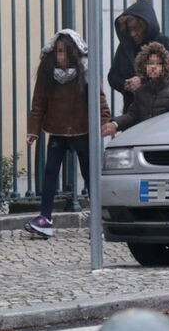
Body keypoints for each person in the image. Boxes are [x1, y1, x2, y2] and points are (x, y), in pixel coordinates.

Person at [25, 30, 110, 239]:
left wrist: (106, 121)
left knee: (90, 175)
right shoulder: (47, 74)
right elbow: (39, 102)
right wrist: (33, 131)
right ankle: (45, 217)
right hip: (57, 130)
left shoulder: (86, 71)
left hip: (82, 130)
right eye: (57, 52)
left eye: (63, 52)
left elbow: (99, 98)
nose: (60, 56)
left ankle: (97, 219)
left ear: (72, 53)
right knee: (50, 172)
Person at [108, 0, 169, 113]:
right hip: (132, 109)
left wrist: (143, 81)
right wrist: (127, 85)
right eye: (129, 29)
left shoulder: (165, 43)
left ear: (146, 26)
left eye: (136, 29)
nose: (133, 34)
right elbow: (113, 76)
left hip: (161, 111)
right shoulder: (126, 47)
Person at [102, 41, 169, 137]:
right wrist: (115, 124)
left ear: (166, 66)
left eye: (158, 64)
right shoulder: (141, 92)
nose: (153, 67)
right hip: (144, 140)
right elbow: (132, 115)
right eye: (150, 63)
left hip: (165, 142)